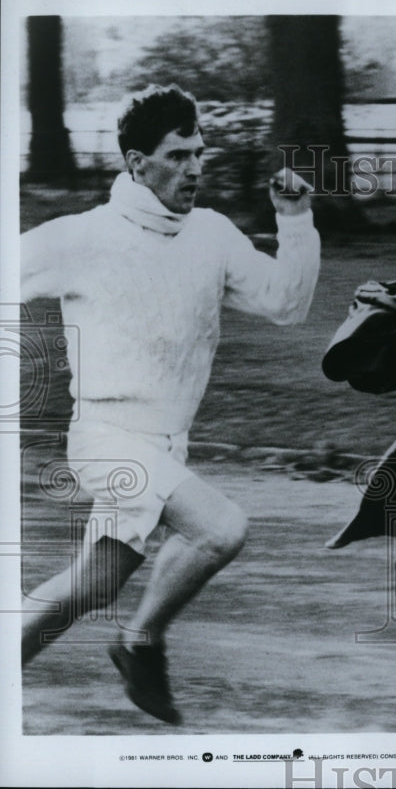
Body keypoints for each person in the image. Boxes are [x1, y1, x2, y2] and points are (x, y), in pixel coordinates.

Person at [20, 84, 321, 724]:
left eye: (199, 154)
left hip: (166, 444)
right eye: (178, 155)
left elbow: (286, 306)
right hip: (107, 440)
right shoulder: (83, 237)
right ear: (136, 164)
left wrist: (294, 223)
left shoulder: (211, 234)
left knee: (90, 585)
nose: (194, 168)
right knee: (220, 527)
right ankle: (140, 643)